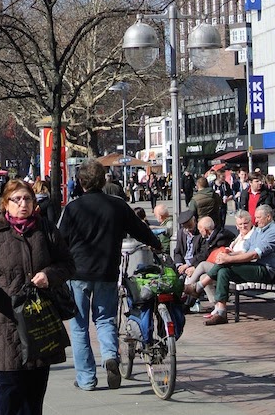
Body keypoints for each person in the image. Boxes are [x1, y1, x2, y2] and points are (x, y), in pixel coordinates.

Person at [57, 159, 161, 391]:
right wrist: (156, 243)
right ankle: (109, 356)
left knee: (79, 325)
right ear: (103, 181)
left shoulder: (73, 208)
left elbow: (58, 240)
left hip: (78, 273)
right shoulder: (117, 205)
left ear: (80, 182)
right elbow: (139, 228)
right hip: (106, 271)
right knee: (105, 320)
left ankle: (86, 379)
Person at [0, 181, 74, 415]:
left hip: (39, 320)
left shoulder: (46, 230)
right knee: (10, 391)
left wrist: (49, 275)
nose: (23, 204)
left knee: (34, 395)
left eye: (27, 198)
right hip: (7, 322)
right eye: (16, 199)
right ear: (5, 204)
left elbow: (68, 264)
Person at [184, 205, 275, 325]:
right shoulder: (259, 230)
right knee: (224, 270)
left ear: (268, 217)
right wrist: (228, 255)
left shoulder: (274, 232)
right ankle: (221, 312)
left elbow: (254, 255)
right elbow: (245, 250)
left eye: (258, 217)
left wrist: (229, 259)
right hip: (252, 266)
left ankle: (198, 287)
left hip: (264, 270)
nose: (256, 220)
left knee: (225, 265)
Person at [176, 216, 235, 286]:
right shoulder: (210, 236)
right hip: (205, 265)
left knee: (201, 267)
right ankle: (189, 291)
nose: (199, 232)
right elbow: (203, 254)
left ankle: (187, 289)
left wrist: (194, 267)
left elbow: (207, 256)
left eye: (200, 230)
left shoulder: (221, 238)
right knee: (202, 278)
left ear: (204, 230)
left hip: (224, 267)